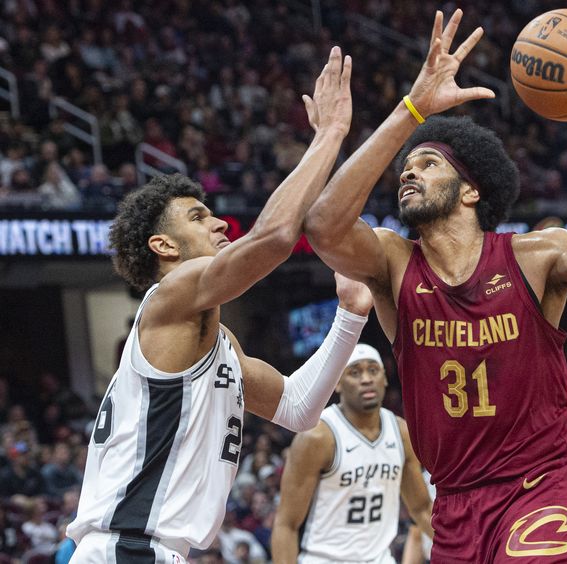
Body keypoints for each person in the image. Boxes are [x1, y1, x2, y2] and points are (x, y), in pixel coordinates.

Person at [303, 8, 567, 562]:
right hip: (453, 504)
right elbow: (322, 226)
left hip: (542, 486)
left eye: (427, 163)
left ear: (471, 190)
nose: (407, 171)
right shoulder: (393, 263)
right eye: (406, 167)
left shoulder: (536, 257)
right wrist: (412, 113)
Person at [65, 47, 373, 562]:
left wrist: (350, 313)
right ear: (163, 247)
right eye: (198, 217)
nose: (220, 225)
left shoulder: (217, 342)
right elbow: (273, 237)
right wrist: (329, 135)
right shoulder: (171, 296)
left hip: (153, 550)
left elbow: (298, 409)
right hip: (127, 549)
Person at [271, 343, 433, 563]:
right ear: (337, 382)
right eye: (355, 372)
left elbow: (421, 508)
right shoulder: (317, 437)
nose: (366, 379)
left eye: (373, 371)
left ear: (384, 379)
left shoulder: (401, 431)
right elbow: (286, 524)